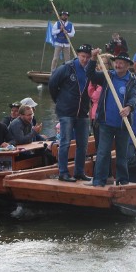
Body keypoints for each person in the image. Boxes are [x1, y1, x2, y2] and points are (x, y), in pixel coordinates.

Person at [86, 49, 136, 187]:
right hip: (105, 123)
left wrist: (128, 108)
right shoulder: (107, 75)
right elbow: (90, 74)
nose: (118, 65)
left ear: (127, 65)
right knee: (103, 153)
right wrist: (92, 59)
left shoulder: (133, 81)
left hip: (123, 124)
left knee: (122, 155)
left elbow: (135, 97)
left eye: (121, 63)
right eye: (117, 62)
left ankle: (123, 181)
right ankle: (99, 181)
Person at [48, 43, 93, 182]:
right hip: (66, 112)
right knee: (65, 142)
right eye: (82, 56)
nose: (84, 59)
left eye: (87, 57)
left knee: (83, 144)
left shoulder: (91, 70)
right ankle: (63, 172)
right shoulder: (67, 67)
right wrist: (60, 101)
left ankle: (79, 172)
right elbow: (52, 84)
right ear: (78, 55)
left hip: (83, 112)